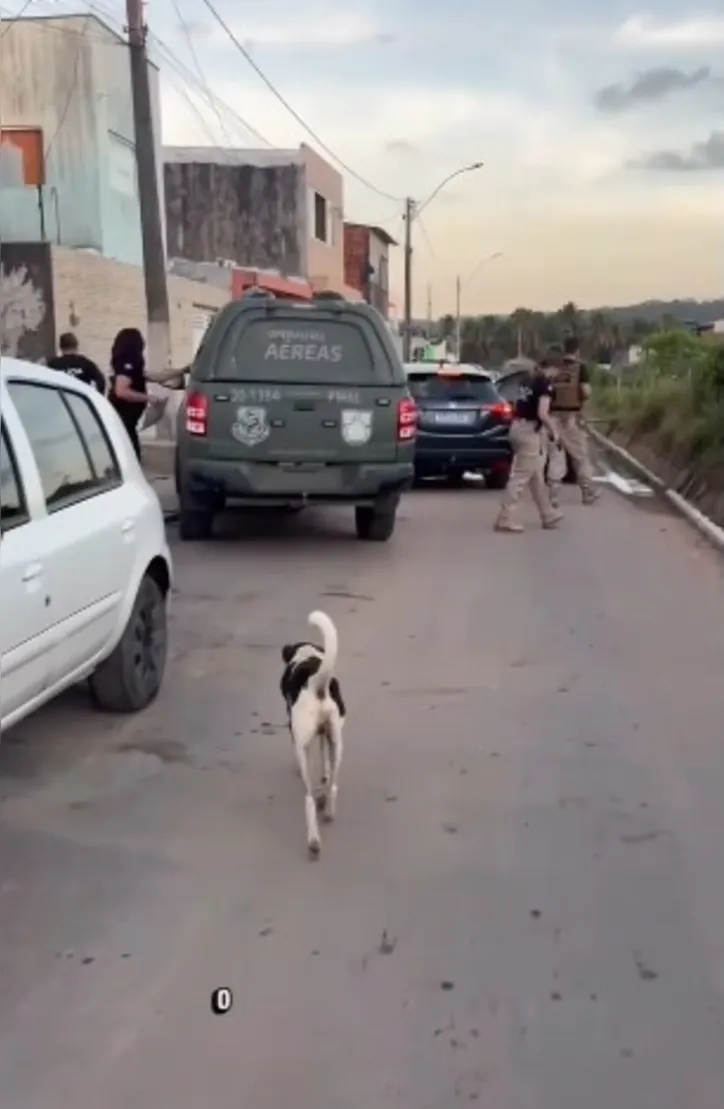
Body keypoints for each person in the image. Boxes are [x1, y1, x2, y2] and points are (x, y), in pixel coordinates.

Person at [494, 357, 564, 533]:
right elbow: (542, 413)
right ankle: (505, 516)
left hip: (517, 427)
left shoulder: (527, 380)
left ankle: (547, 514)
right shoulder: (545, 385)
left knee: (535, 475)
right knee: (521, 477)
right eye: (558, 371)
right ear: (552, 368)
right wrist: (554, 431)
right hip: (529, 431)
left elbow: (519, 404)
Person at [547, 335, 599, 508]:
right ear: (577, 350)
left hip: (553, 416)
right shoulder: (580, 368)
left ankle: (553, 494)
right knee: (580, 456)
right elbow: (586, 391)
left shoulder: (555, 367)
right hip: (571, 417)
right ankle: (587, 491)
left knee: (556, 455)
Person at [108, 328, 164, 460]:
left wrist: (177, 373)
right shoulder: (128, 361)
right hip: (124, 413)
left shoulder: (126, 362)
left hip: (126, 417)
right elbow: (121, 391)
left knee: (127, 441)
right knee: (128, 447)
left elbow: (144, 375)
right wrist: (148, 398)